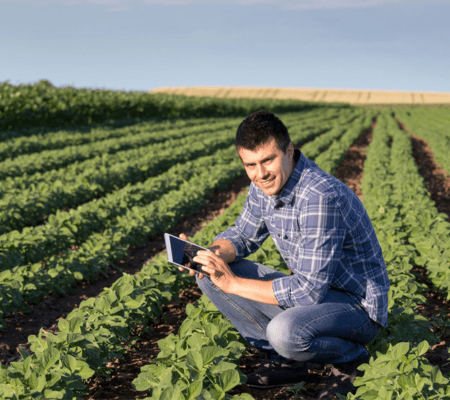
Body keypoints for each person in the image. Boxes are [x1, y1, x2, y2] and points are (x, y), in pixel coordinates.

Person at [178, 110, 390, 398]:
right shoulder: (262, 185)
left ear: (289, 151)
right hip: (319, 296)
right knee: (208, 276)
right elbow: (243, 235)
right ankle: (287, 360)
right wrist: (210, 255)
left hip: (356, 307)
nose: (260, 173)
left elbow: (308, 293)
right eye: (250, 165)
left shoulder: (319, 197)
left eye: (268, 160)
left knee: (284, 332)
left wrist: (233, 283)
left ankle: (352, 358)